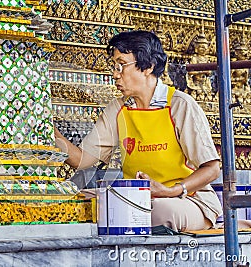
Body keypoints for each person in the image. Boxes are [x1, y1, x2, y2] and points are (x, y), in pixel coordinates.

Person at [54, 30, 223, 232]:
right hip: (135, 200)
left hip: (188, 200)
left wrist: (170, 191)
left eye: (122, 65)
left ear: (148, 66)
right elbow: (81, 160)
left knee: (157, 211)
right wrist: (48, 130)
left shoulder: (179, 105)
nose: (115, 74)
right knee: (74, 204)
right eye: (114, 66)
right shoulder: (118, 109)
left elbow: (212, 169)